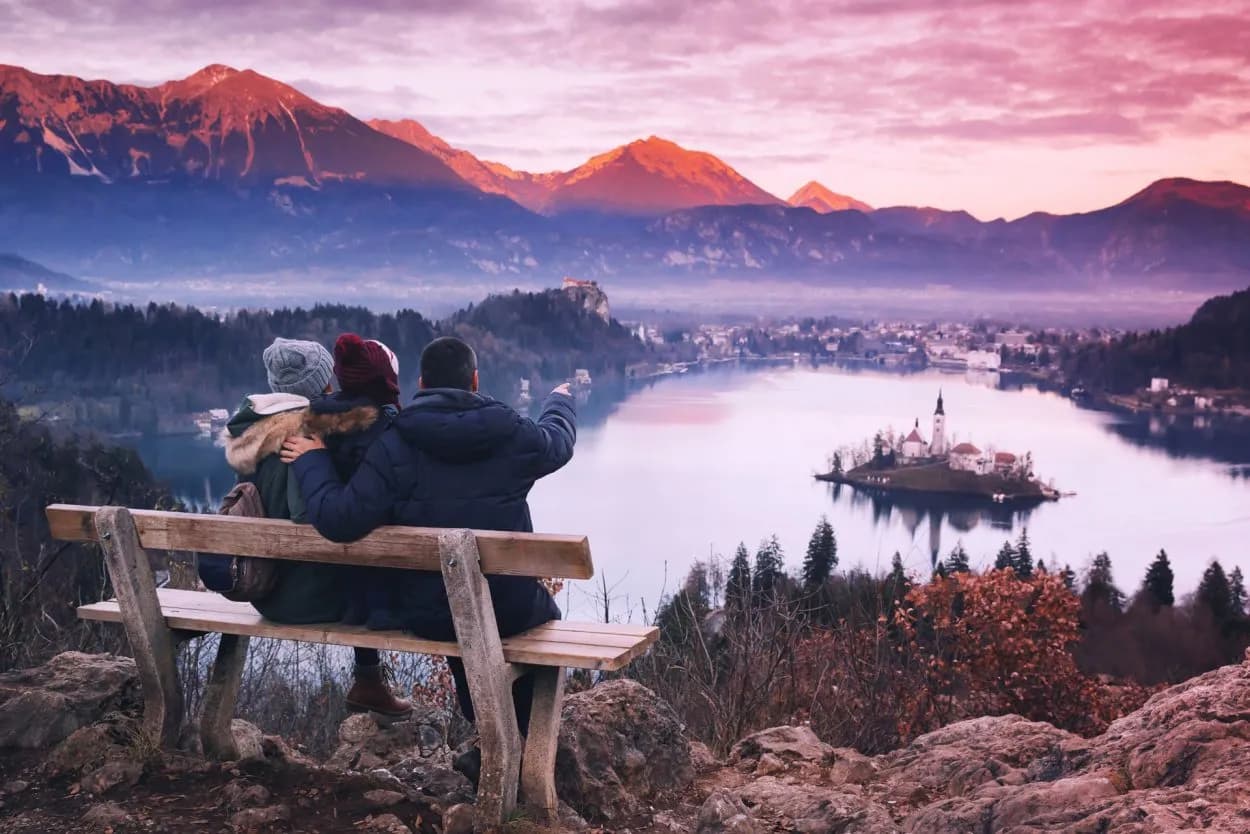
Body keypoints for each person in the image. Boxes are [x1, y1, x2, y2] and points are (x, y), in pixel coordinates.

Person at [280, 336, 575, 743]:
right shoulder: (514, 434)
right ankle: (522, 742)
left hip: (428, 610)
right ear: (474, 380)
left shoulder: (394, 442)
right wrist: (560, 402)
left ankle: (490, 731)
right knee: (537, 618)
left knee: (456, 609)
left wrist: (313, 460)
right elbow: (559, 442)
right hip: (509, 607)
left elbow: (339, 519)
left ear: (420, 383)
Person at [217, 336, 409, 718]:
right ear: (324, 384)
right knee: (362, 547)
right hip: (307, 597)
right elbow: (313, 521)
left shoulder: (252, 427)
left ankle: (369, 682)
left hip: (263, 587)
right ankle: (368, 680)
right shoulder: (305, 437)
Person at [299, 332, 412, 717]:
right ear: (387, 384)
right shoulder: (395, 433)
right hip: (393, 600)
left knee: (358, 555)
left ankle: (368, 678)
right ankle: (368, 681)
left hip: (327, 588)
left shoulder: (312, 425)